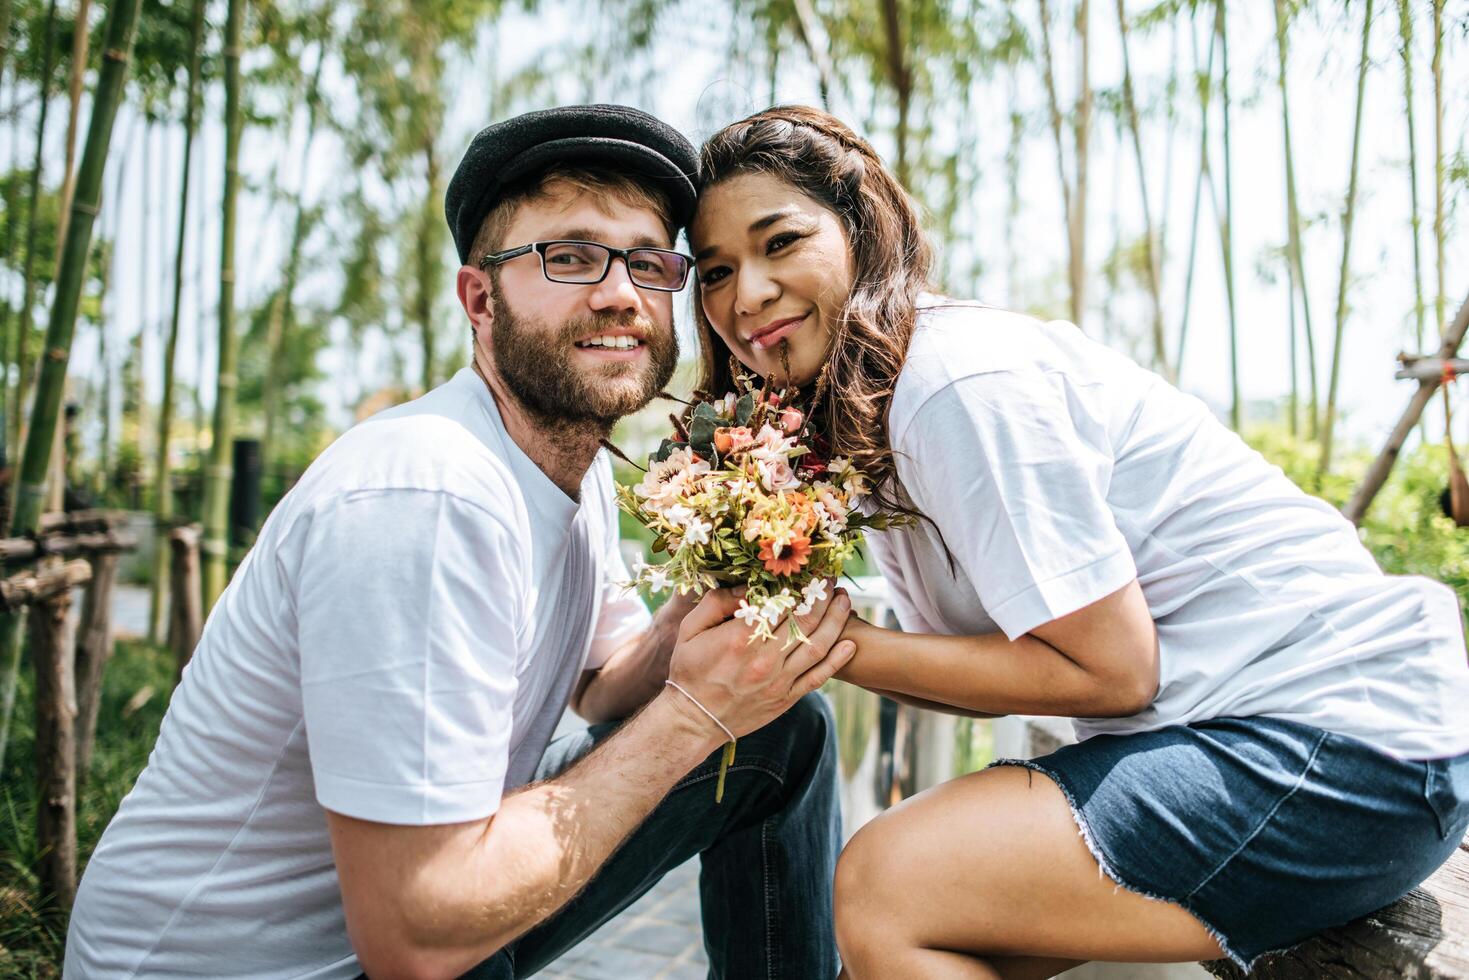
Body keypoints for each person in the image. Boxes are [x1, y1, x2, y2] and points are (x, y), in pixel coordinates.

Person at [65, 104, 852, 980]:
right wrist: (695, 714)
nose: (621, 293)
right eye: (571, 256)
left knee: (779, 733)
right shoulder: (429, 492)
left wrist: (705, 615)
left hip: (406, 927)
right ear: (480, 299)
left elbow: (600, 686)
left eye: (649, 261)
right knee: (460, 942)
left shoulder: (578, 466)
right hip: (261, 965)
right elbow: (415, 937)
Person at [688, 104, 1469, 979]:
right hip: (1254, 740)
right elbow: (997, 667)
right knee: (926, 939)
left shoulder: (951, 383)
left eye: (780, 242)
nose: (744, 294)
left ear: (863, 231)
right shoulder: (869, 433)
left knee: (883, 883)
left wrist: (840, 647)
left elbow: (1111, 671)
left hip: (1342, 747)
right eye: (715, 271)